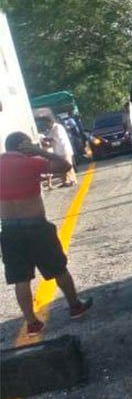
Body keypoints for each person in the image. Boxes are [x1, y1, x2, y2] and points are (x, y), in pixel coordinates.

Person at [1, 132, 93, 336]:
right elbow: (65, 166)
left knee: (20, 278)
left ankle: (32, 322)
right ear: (24, 145)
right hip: (36, 227)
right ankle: (75, 306)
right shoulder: (31, 162)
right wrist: (40, 151)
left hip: (9, 230)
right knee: (59, 268)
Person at [42, 115, 76, 187]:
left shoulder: (57, 127)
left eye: (46, 123)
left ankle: (72, 180)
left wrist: (45, 140)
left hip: (64, 150)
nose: (46, 125)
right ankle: (65, 181)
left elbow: (52, 138)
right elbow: (50, 140)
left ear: (50, 122)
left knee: (68, 165)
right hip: (58, 151)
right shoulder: (52, 129)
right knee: (61, 167)